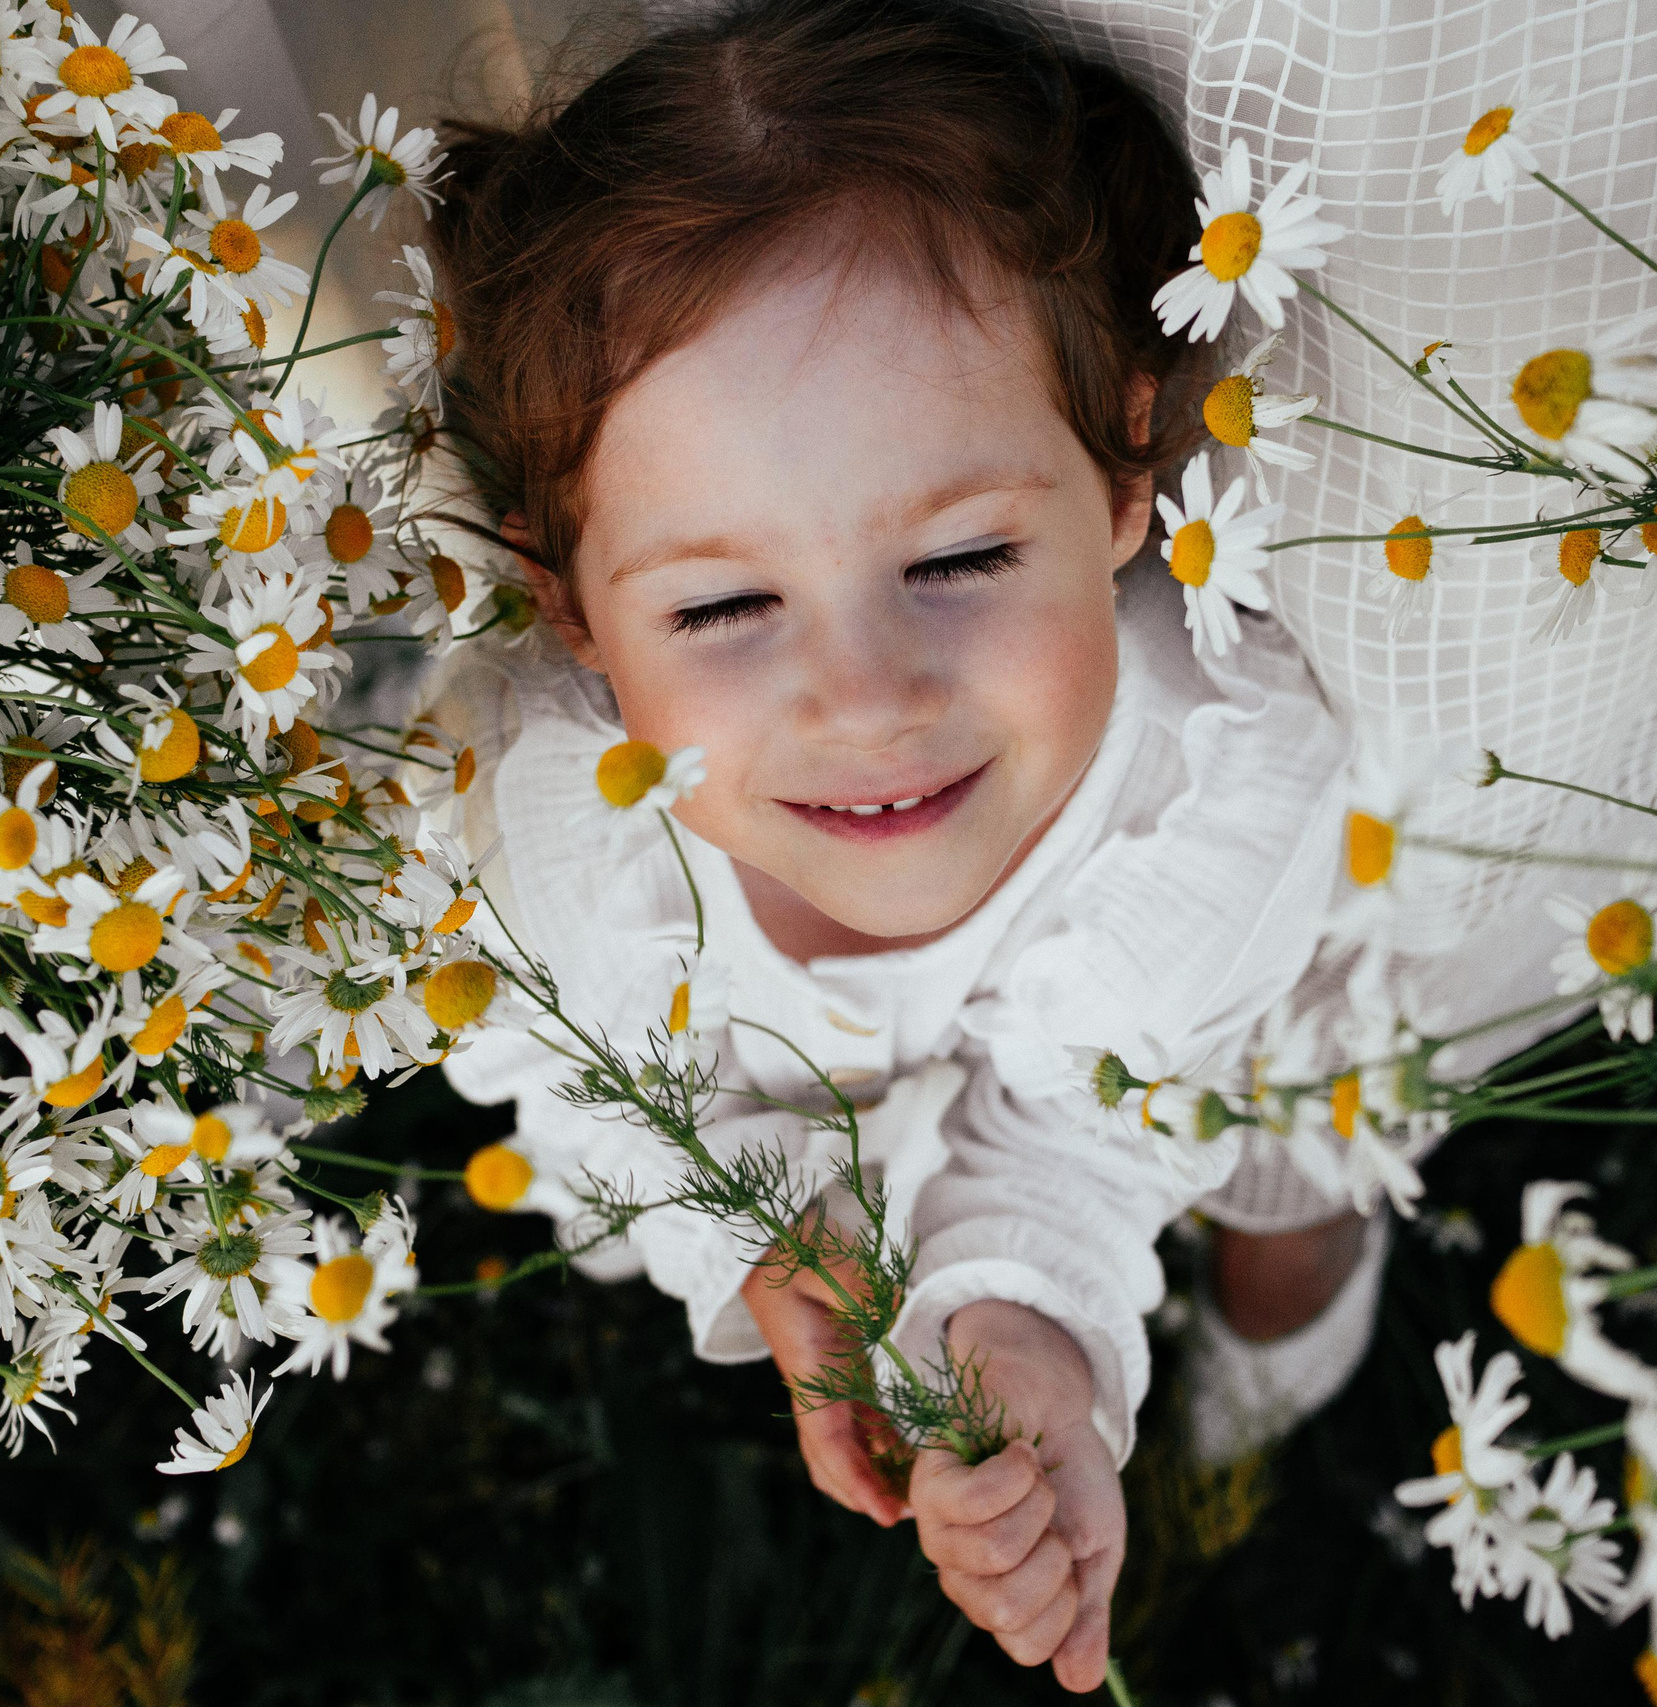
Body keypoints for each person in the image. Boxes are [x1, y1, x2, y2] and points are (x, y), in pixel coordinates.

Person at [423, 0, 1377, 1690]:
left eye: (956, 562)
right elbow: (623, 1096)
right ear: (567, 603)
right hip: (790, 1095)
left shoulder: (1219, 789)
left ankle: (1287, 1325)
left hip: (1191, 1036)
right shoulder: (570, 843)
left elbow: (1095, 1122)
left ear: (1123, 468)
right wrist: (780, 1244)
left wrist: (1024, 1328)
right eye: (724, 605)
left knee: (1290, 1156)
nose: (866, 702)